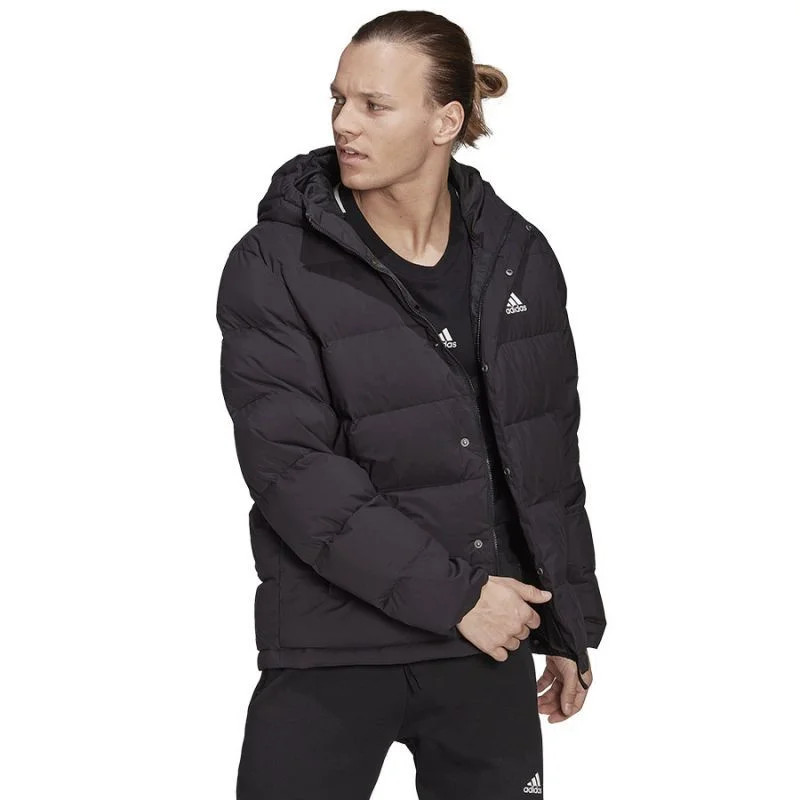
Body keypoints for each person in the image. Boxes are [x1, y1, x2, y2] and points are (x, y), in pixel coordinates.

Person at [216, 10, 606, 799]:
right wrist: (459, 599)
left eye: (374, 105)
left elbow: (544, 457)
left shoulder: (518, 255)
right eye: (338, 100)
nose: (344, 124)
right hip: (333, 650)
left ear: (445, 121)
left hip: (486, 648)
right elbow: (293, 470)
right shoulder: (276, 262)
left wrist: (567, 624)